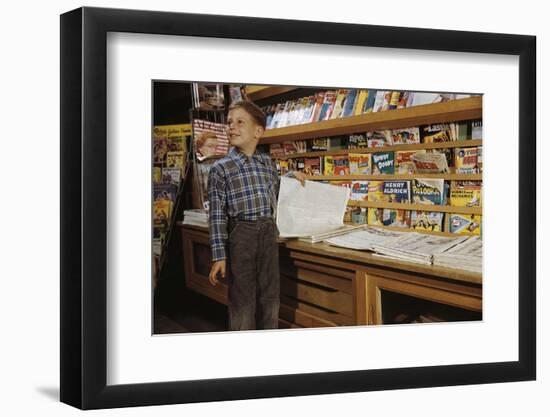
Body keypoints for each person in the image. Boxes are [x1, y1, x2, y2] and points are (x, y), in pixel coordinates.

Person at [207, 100, 305, 331]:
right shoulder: (221, 169)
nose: (231, 127)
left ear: (258, 131)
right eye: (229, 122)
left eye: (240, 122)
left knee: (270, 296)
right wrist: (218, 256)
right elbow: (217, 216)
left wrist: (292, 176)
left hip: (268, 233)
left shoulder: (266, 163)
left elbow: (276, 188)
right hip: (242, 235)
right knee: (243, 299)